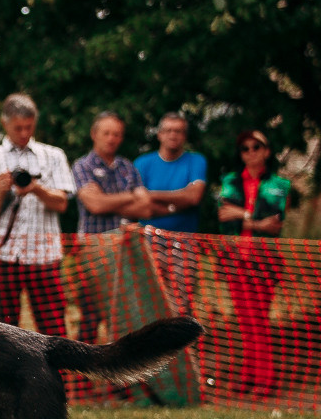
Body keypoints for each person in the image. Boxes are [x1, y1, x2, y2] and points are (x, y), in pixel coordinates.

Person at [0, 93, 75, 335]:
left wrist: (36, 188)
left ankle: (56, 363)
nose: (24, 133)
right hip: (2, 255)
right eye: (18, 128)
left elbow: (62, 204)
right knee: (6, 332)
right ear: (5, 123)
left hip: (43, 255)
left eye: (29, 127)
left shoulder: (54, 156)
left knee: (54, 329)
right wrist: (0, 192)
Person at [216, 128, 292, 396]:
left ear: (266, 151)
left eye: (255, 147)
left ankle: (265, 379)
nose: (250, 152)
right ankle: (248, 375)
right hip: (236, 260)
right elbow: (224, 216)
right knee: (244, 320)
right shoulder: (230, 181)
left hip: (264, 262)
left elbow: (274, 222)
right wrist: (254, 218)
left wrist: (243, 215)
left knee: (259, 319)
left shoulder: (280, 185)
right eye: (245, 148)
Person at [71, 111, 151, 345]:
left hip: (126, 251)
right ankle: (82, 365)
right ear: (94, 134)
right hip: (93, 250)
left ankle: (123, 365)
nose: (111, 138)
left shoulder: (127, 166)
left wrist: (107, 200)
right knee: (90, 316)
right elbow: (95, 205)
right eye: (106, 133)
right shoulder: (82, 166)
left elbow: (145, 207)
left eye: (116, 134)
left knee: (125, 313)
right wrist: (130, 197)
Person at [134, 113, 207, 314]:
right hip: (148, 242)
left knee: (181, 304)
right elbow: (140, 204)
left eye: (178, 131)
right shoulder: (143, 163)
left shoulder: (196, 161)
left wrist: (152, 195)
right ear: (159, 134)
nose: (173, 135)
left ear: (185, 136)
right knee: (149, 301)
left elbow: (194, 197)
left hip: (184, 243)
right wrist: (177, 202)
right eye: (168, 130)